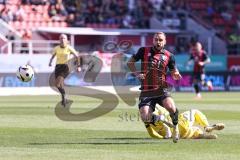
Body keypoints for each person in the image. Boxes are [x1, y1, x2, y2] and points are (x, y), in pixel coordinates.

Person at [127, 32, 182, 143]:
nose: (158, 42)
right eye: (156, 39)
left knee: (171, 107)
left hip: (161, 88)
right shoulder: (143, 51)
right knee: (145, 117)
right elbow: (130, 63)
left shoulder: (169, 56)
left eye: (160, 40)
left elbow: (173, 71)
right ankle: (162, 121)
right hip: (146, 90)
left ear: (165, 41)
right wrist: (137, 74)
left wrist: (176, 74)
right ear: (153, 40)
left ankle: (175, 128)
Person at [146, 106, 225, 139]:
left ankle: (203, 135)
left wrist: (162, 137)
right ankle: (207, 126)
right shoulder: (153, 105)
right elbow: (160, 118)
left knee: (196, 130)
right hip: (178, 125)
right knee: (194, 112)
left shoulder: (144, 113)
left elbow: (152, 133)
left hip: (176, 135)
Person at [49, 34, 79, 107]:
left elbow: (77, 56)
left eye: (64, 38)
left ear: (67, 40)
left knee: (57, 84)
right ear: (59, 40)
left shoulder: (69, 48)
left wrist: (78, 66)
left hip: (66, 67)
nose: (62, 40)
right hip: (58, 67)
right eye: (61, 38)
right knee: (60, 84)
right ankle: (64, 99)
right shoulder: (56, 48)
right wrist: (50, 62)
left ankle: (64, 96)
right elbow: (53, 56)